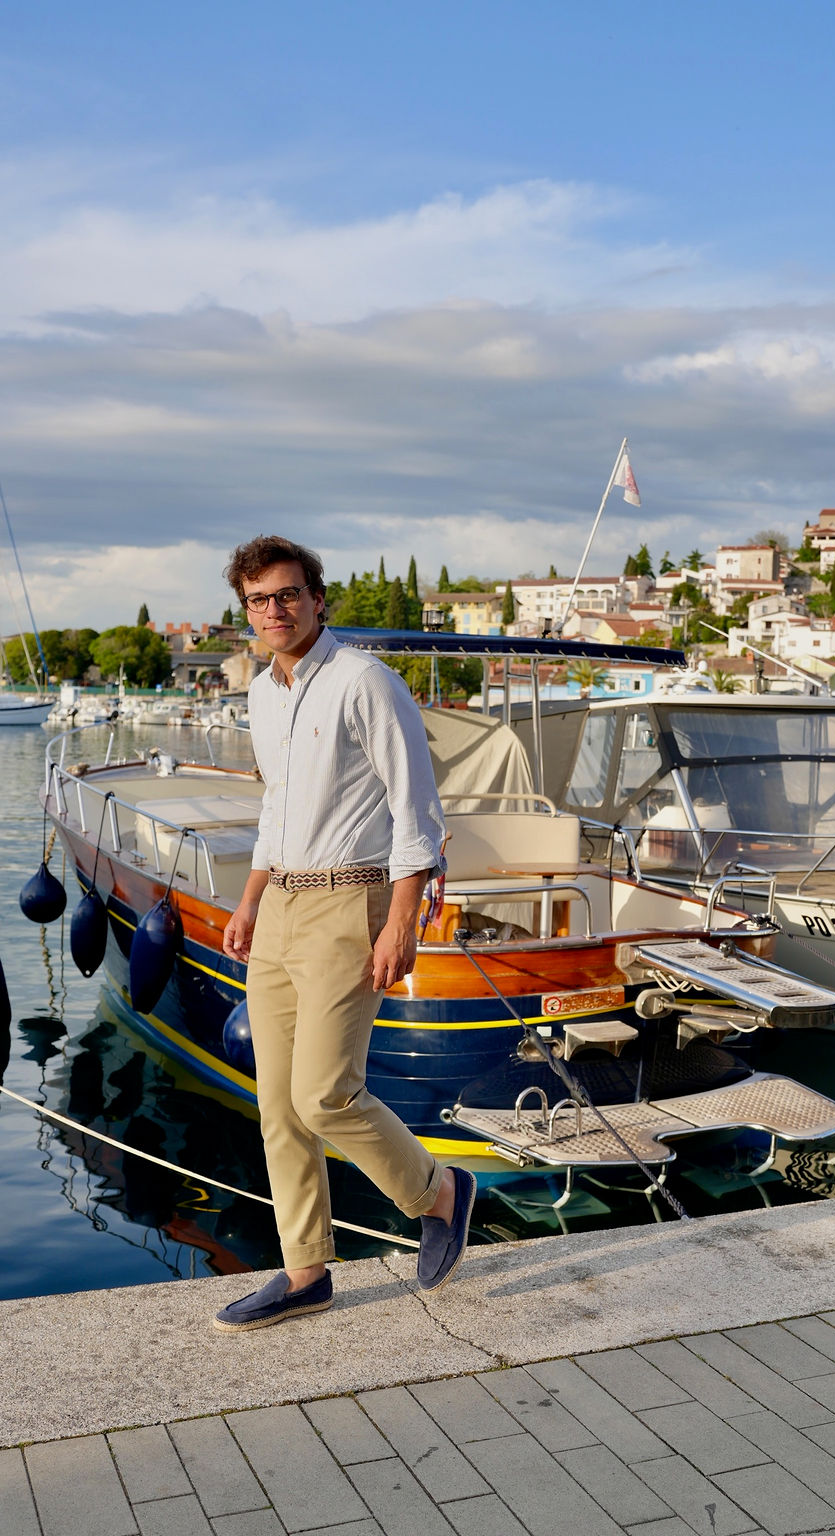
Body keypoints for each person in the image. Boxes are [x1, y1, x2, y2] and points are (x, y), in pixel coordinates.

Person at [213, 534, 474, 1332]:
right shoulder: (262, 692)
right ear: (246, 610)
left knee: (325, 1092)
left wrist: (401, 919)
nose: (275, 610)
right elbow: (276, 807)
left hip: (350, 903)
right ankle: (304, 1273)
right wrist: (252, 900)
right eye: (259, 600)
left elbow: (417, 811)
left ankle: (440, 1191)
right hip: (282, 904)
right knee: (278, 1107)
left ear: (318, 599)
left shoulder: (366, 681)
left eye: (288, 594)